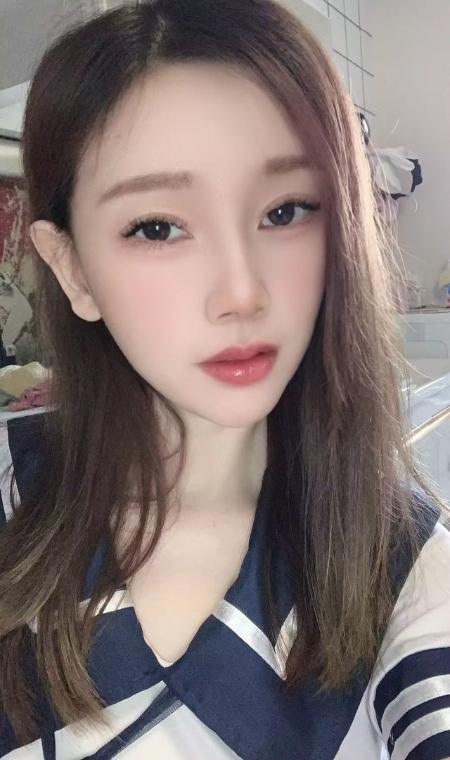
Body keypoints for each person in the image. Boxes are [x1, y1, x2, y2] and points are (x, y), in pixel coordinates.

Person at [0, 1, 449, 757]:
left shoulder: (408, 569)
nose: (242, 292)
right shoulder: (14, 487)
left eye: (286, 211)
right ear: (72, 268)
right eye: (158, 227)